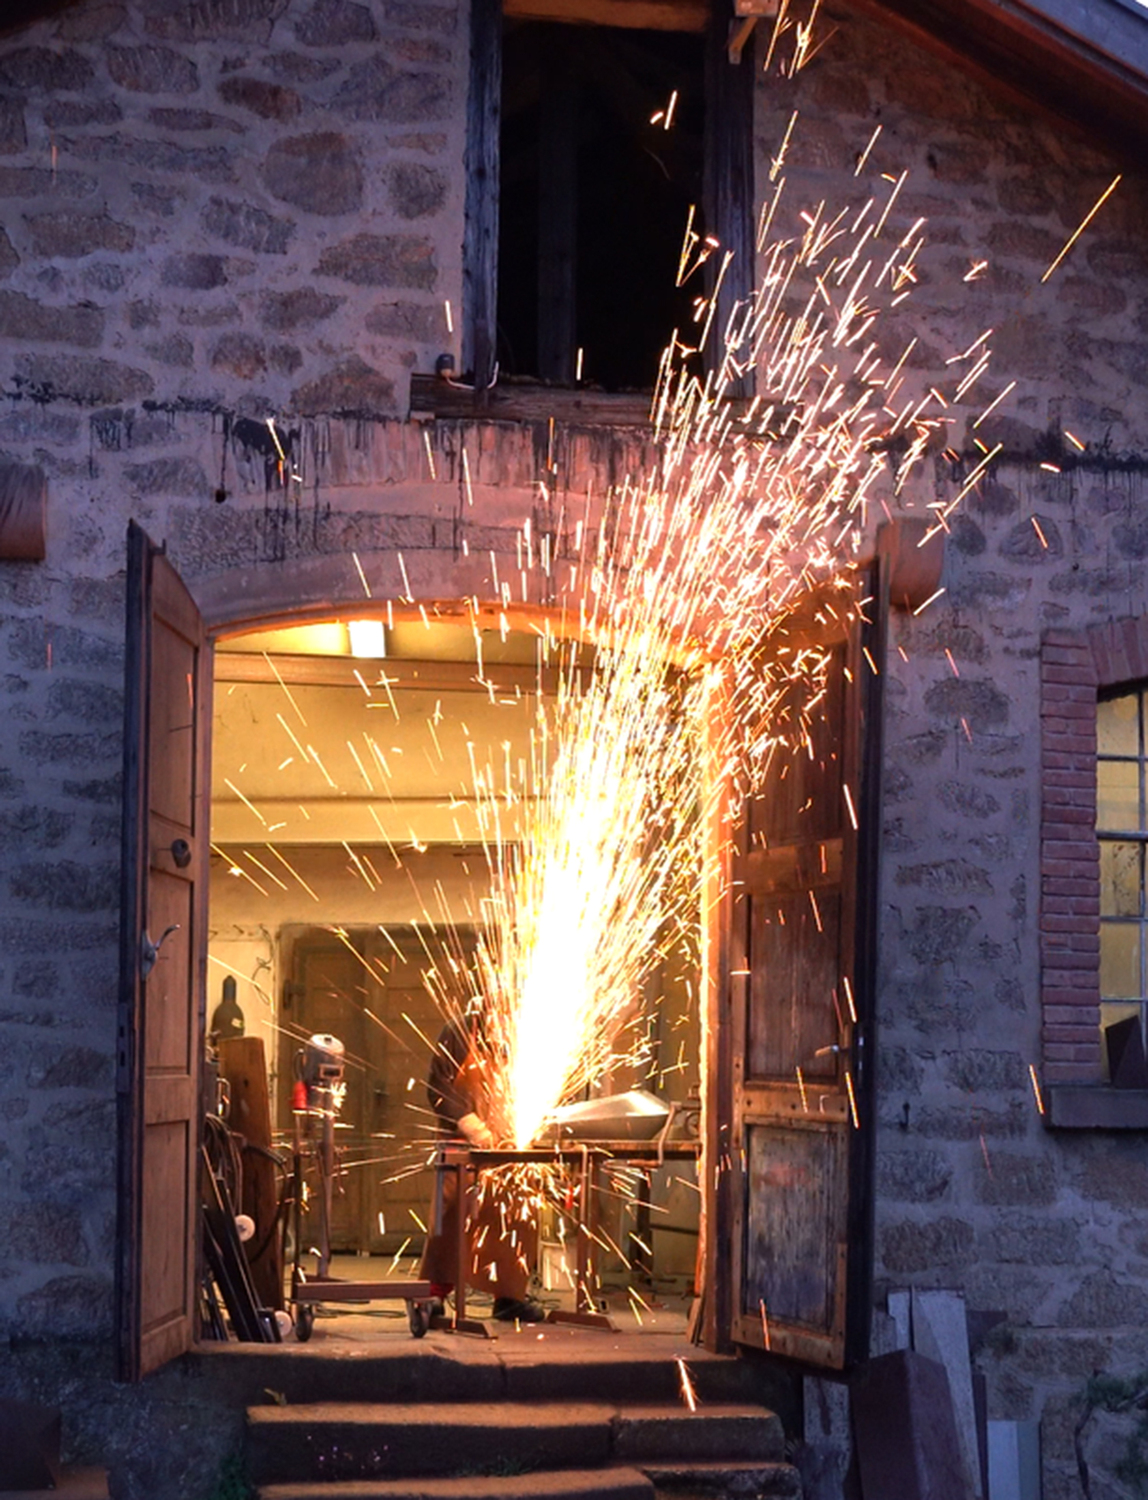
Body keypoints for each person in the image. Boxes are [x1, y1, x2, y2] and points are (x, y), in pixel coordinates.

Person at [419, 1006, 545, 1323]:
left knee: (516, 1215)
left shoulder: (524, 1031)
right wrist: (469, 1122)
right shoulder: (460, 1031)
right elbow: (437, 1086)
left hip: (507, 1145)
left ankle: (509, 1298)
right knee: (450, 1216)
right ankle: (432, 1295)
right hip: (462, 1142)